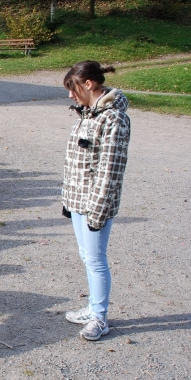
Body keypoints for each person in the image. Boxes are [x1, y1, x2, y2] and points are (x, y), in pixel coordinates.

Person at [61, 60, 131, 341]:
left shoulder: (113, 119)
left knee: (96, 259)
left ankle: (99, 317)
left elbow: (110, 170)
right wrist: (69, 201)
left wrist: (97, 211)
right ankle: (92, 307)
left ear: (88, 84)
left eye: (72, 88)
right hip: (78, 202)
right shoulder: (88, 114)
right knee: (86, 256)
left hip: (94, 205)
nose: (69, 95)